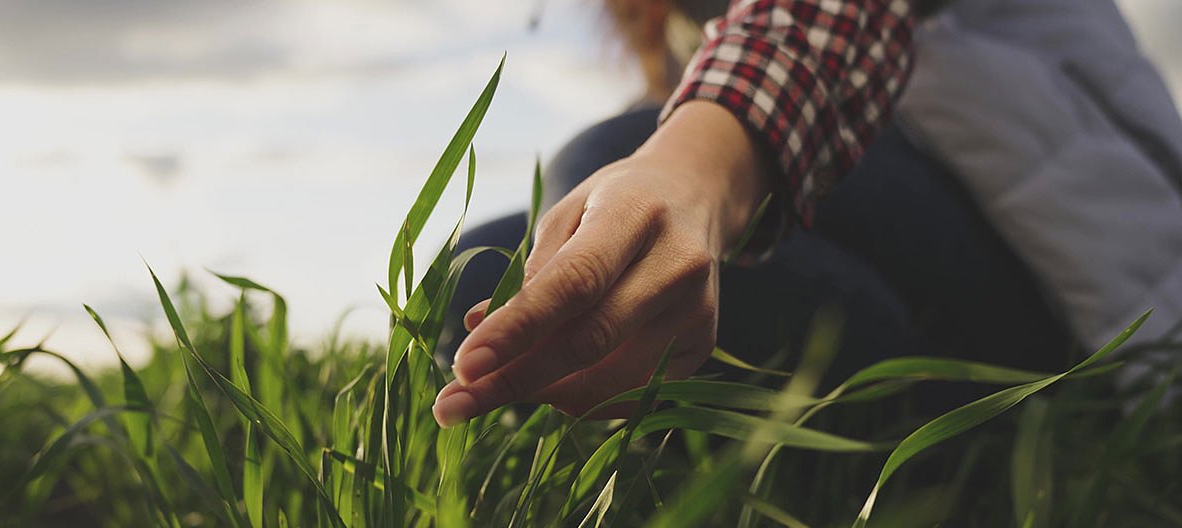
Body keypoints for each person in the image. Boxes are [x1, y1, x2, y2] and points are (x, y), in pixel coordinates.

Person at [432, 0, 1182, 427]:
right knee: (485, 270)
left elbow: (829, 19)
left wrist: (689, 165)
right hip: (914, 250)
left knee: (616, 149)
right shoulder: (675, 24)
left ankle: (966, 444)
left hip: (1081, 289)